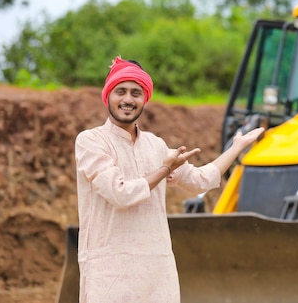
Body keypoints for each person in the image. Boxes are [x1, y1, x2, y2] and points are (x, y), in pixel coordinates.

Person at [74, 56, 264, 303]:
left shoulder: (155, 145)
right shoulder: (91, 141)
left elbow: (201, 180)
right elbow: (120, 194)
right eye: (120, 91)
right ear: (108, 96)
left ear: (145, 99)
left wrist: (236, 147)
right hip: (110, 272)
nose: (128, 99)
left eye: (136, 93)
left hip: (157, 271)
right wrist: (164, 169)